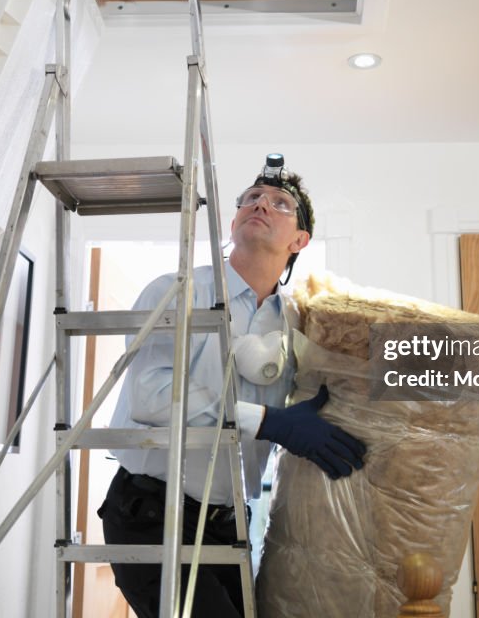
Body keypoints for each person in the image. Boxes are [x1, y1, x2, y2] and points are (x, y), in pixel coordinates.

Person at [99, 154, 367, 618]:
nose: (262, 204)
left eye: (281, 203)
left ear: (300, 240)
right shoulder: (180, 291)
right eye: (252, 198)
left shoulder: (296, 322)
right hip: (151, 515)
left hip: (229, 524)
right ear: (235, 218)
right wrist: (266, 421)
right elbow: (150, 396)